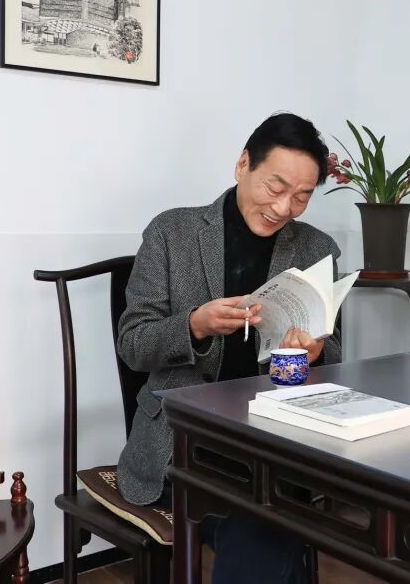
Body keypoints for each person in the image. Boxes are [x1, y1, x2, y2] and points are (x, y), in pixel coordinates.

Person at [117, 112, 339, 584]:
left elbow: (335, 353)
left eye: (302, 196)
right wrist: (194, 326)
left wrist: (315, 352)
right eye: (275, 187)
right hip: (184, 445)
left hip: (274, 443)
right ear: (243, 165)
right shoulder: (172, 232)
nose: (284, 207)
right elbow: (133, 344)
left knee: (271, 514)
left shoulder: (316, 248)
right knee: (270, 523)